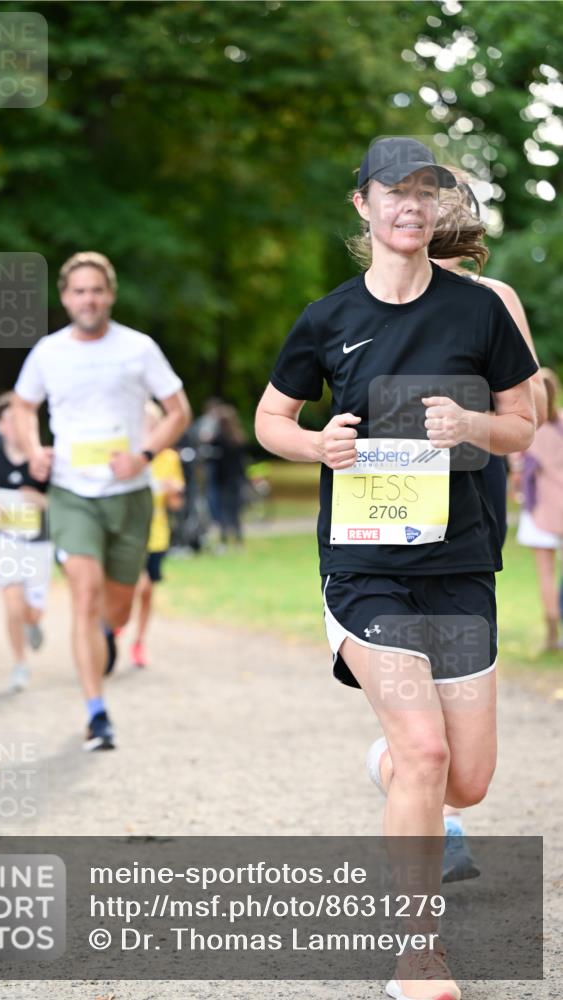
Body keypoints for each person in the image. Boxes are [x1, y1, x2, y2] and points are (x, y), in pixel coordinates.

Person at [255, 136, 537, 1000]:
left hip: (459, 563)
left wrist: (471, 427)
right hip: (364, 564)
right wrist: (315, 442)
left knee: (467, 780)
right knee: (425, 751)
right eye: (393, 192)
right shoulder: (327, 317)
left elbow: (522, 425)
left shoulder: (479, 310)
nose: (409, 205)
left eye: (425, 193)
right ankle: (418, 954)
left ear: (437, 208)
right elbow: (273, 419)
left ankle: (389, 763)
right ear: (364, 207)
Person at [12, 251, 191, 751]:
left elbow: (179, 410)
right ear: (65, 298)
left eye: (96, 290)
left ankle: (109, 634)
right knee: (84, 597)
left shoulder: (138, 348)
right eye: (78, 291)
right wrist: (34, 452)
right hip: (72, 492)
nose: (87, 299)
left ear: (109, 294)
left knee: (117, 609)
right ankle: (96, 712)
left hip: (129, 495)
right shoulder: (48, 352)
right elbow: (23, 406)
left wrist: (145, 455)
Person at [429, 168, 547, 881]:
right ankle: (436, 812)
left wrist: (468, 403)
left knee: (455, 654)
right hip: (398, 504)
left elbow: (526, 399)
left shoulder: (493, 298)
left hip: (473, 499)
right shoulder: (375, 299)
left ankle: (439, 796)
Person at [0, 392, 53, 692]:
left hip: (38, 542)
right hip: (5, 540)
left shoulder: (42, 459)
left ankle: (33, 622)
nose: (15, 425)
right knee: (12, 603)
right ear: (1, 425)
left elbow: (60, 503)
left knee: (31, 609)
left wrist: (38, 499)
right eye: (9, 419)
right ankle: (20, 664)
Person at [126, 401, 185, 668]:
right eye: (143, 424)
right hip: (129, 534)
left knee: (147, 591)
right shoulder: (125, 457)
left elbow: (176, 505)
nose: (147, 429)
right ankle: (117, 619)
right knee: (139, 585)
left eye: (152, 424)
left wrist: (173, 491)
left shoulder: (169, 458)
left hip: (157, 534)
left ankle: (138, 641)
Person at [516, 368, 563, 651]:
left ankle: (552, 634)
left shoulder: (529, 431)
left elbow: (520, 475)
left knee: (546, 573)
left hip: (542, 512)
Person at [207, 404, 247, 546]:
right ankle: (238, 540)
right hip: (235, 480)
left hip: (221, 480)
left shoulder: (218, 439)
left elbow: (212, 458)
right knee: (235, 512)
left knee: (222, 511)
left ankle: (224, 540)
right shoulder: (238, 438)